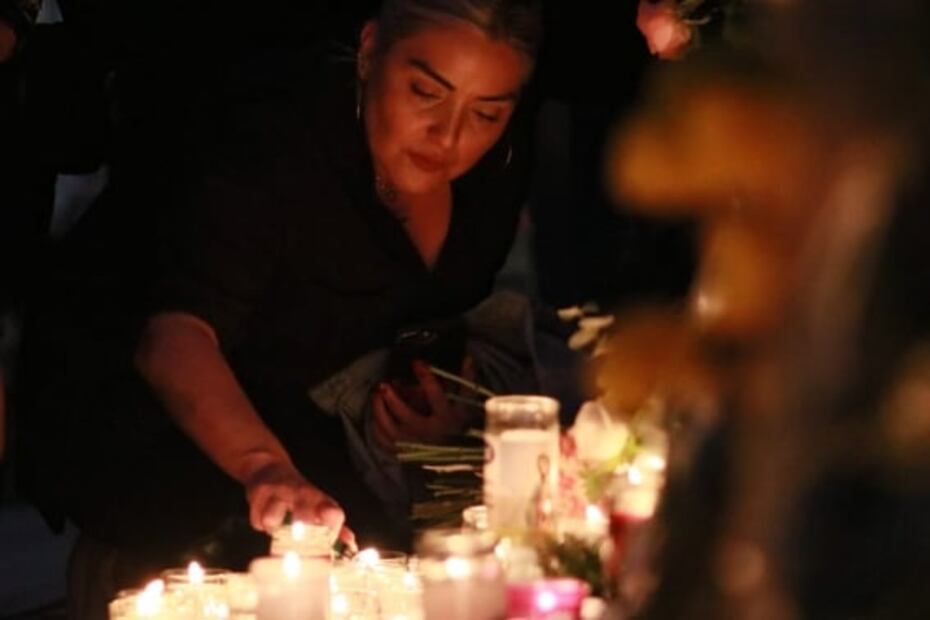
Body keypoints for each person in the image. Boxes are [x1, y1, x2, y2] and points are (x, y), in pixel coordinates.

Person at [17, 0, 542, 610]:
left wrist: (433, 408)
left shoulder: (495, 169)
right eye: (425, 91)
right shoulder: (269, 142)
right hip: (169, 417)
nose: (450, 136)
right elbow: (175, 339)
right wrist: (265, 467)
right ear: (370, 51)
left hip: (320, 419)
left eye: (486, 112)